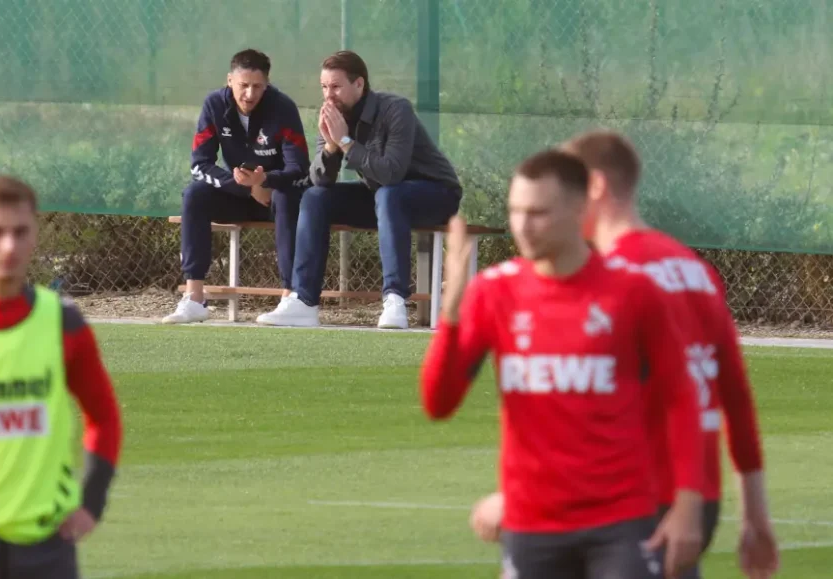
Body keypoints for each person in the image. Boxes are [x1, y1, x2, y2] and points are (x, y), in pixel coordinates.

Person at [469, 131, 781, 579]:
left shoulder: (616, 283)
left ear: (591, 189)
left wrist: (522, 500)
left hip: (630, 501)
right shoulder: (696, 271)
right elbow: (733, 395)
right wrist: (755, 514)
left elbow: (602, 408)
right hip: (699, 496)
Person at [420, 149, 705, 579]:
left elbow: (684, 401)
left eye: (538, 213)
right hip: (532, 524)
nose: (522, 225)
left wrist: (687, 508)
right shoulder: (495, 292)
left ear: (579, 210)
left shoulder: (633, 292)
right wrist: (452, 312)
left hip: (621, 521)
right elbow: (438, 403)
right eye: (515, 211)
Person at [0, 175, 124, 579]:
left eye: (20, 231)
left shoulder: (60, 321)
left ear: (35, 234)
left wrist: (92, 502)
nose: (8, 246)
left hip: (47, 546)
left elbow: (103, 417)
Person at [256, 50, 462, 329]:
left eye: (336, 86)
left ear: (359, 85)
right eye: (324, 87)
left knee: (390, 194)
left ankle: (395, 300)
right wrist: (331, 147)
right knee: (315, 198)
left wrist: (345, 142)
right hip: (381, 196)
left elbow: (391, 173)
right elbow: (319, 179)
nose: (329, 95)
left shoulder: (395, 109)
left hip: (436, 194)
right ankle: (304, 302)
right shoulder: (334, 114)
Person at [164, 48, 310, 324]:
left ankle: (290, 298)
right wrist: (244, 186)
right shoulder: (214, 105)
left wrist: (265, 182)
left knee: (287, 199)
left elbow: (299, 167)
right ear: (229, 80)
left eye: (257, 87)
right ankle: (195, 299)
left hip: (274, 197)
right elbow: (199, 164)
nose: (250, 95)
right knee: (194, 194)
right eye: (244, 86)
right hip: (238, 194)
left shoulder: (283, 108)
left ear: (267, 84)